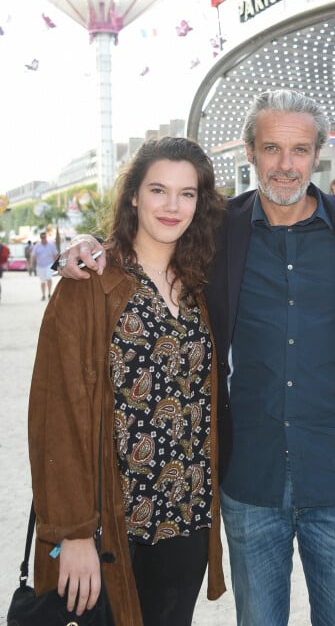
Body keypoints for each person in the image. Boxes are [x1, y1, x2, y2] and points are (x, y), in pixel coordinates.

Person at [57, 91, 335, 626]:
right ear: (250, 152)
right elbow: (148, 242)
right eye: (271, 147)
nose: (285, 164)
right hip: (249, 482)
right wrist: (91, 243)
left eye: (299, 150)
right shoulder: (216, 229)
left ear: (318, 153)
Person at [28, 137, 226, 626]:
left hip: (186, 515)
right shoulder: (90, 283)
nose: (172, 206)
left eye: (187, 193)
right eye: (158, 190)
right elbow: (57, 415)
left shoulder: (200, 281)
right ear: (133, 195)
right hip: (114, 524)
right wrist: (73, 534)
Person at [31, 230, 58, 300]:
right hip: (40, 266)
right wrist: (31, 264)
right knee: (42, 281)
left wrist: (56, 265)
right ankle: (43, 295)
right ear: (40, 238)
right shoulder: (37, 246)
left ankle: (49, 293)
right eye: (42, 237)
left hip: (49, 264)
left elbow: (55, 255)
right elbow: (33, 256)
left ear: (46, 237)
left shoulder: (51, 245)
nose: (43, 239)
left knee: (49, 278)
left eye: (44, 237)